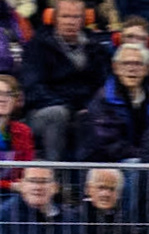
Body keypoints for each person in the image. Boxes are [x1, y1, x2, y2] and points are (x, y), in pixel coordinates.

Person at [21, 0, 106, 161]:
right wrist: (70, 107)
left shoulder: (95, 46)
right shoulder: (37, 46)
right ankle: (54, 170)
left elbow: (101, 83)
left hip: (84, 108)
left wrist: (89, 107)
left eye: (75, 17)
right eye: (65, 16)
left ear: (84, 20)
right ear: (55, 18)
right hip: (43, 110)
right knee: (58, 114)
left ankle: (88, 174)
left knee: (94, 115)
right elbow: (33, 89)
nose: (70, 22)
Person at [79, 43, 149, 161]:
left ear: (147, 69)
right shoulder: (104, 99)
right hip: (111, 161)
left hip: (146, 157)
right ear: (115, 67)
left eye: (138, 64)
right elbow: (107, 144)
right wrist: (143, 154)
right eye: (126, 63)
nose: (131, 69)